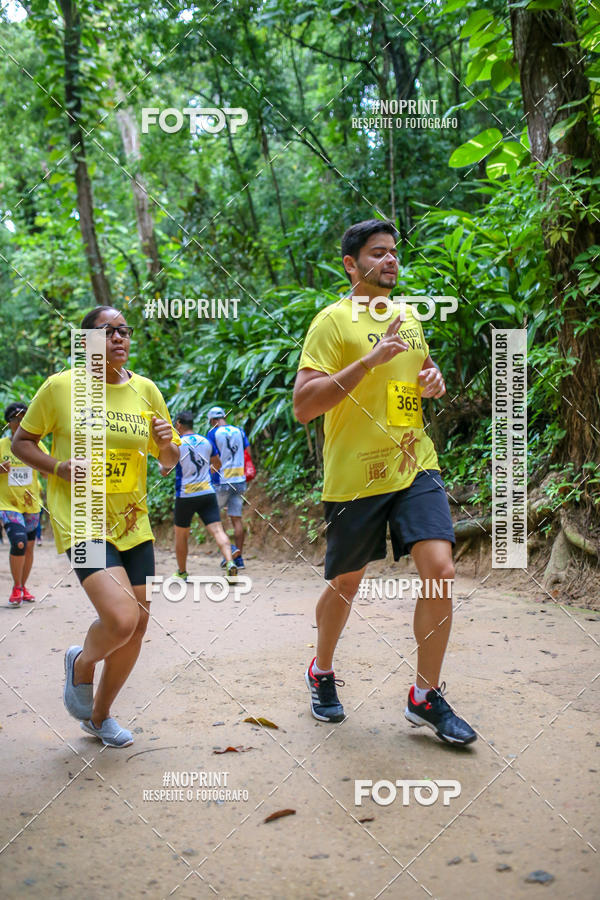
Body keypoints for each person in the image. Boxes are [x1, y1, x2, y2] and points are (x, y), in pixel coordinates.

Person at [293, 218, 476, 746]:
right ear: (351, 265)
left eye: (394, 252)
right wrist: (369, 361)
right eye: (378, 253)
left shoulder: (409, 316)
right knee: (347, 583)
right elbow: (306, 406)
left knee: (439, 568)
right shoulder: (331, 322)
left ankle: (425, 695)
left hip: (414, 462)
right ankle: (322, 669)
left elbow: (418, 374)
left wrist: (433, 380)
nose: (391, 260)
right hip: (355, 476)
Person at [12, 306, 180, 748]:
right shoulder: (61, 387)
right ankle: (82, 664)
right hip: (81, 521)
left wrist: (166, 446)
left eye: (124, 331)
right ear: (85, 341)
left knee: (138, 625)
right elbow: (22, 442)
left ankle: (99, 717)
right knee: (121, 618)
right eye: (108, 332)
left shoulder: (145, 390)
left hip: (133, 521)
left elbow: (168, 462)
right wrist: (58, 466)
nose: (120, 338)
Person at [160, 411, 237, 580]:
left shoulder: (177, 443)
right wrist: (206, 473)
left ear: (179, 425)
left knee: (181, 535)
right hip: (207, 492)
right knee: (218, 530)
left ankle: (182, 572)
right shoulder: (206, 441)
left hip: (185, 495)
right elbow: (217, 463)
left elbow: (165, 471)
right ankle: (230, 562)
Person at [0, 402, 47, 607]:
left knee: (28, 548)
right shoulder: (2, 445)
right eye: (16, 420)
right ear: (8, 422)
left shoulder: (35, 444)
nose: (20, 423)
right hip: (8, 504)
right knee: (18, 542)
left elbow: (48, 470)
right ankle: (17, 587)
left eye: (24, 419)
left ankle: (22, 586)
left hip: (31, 504)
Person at [207, 406, 250, 569]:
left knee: (215, 520)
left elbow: (212, 457)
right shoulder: (239, 431)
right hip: (239, 479)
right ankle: (239, 558)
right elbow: (248, 452)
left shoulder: (213, 433)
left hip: (221, 481)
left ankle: (229, 551)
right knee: (236, 519)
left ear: (212, 420)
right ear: (224, 416)